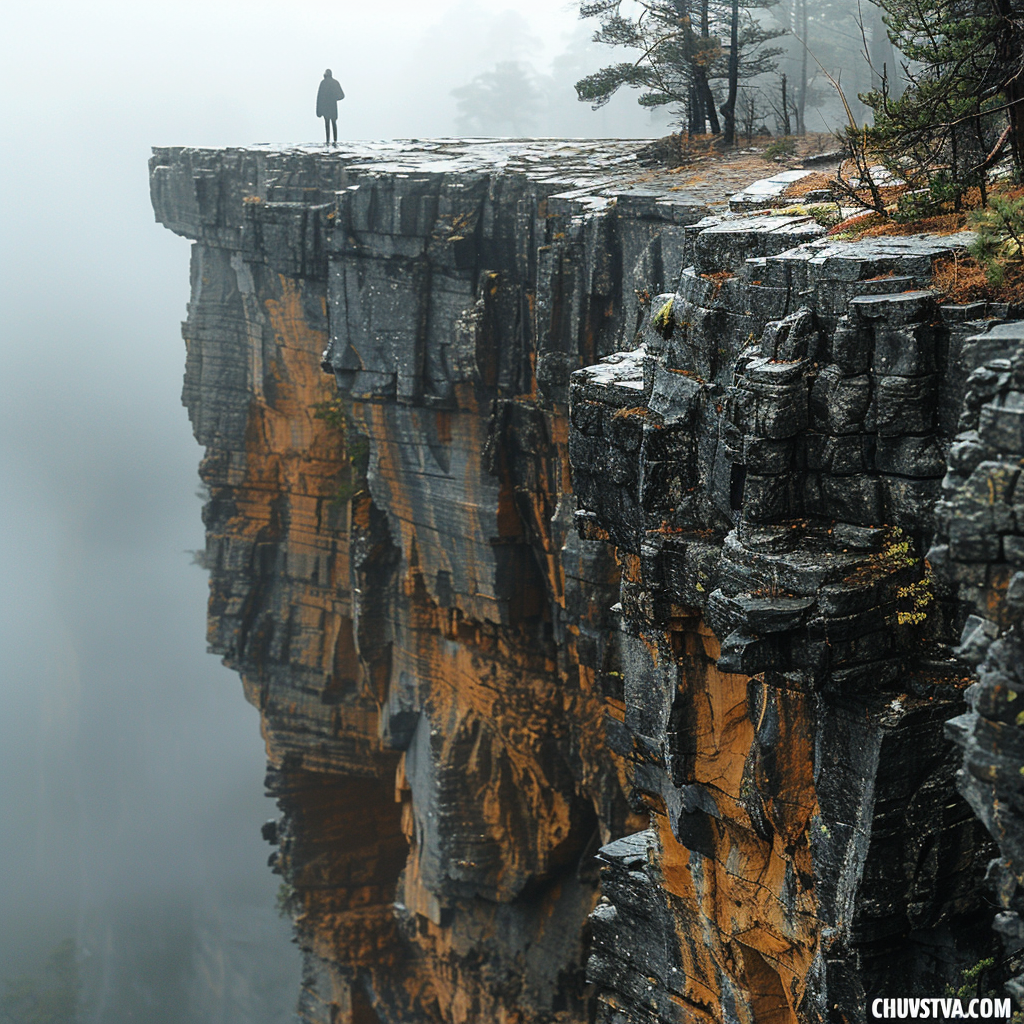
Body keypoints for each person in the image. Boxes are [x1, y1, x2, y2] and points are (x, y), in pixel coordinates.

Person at [316, 70, 344, 145]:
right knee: (333, 123)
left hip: (326, 106)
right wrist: (334, 98)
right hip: (332, 106)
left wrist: (319, 110)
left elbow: (319, 98)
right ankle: (334, 140)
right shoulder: (335, 82)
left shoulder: (323, 83)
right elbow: (341, 96)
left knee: (327, 123)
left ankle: (328, 140)